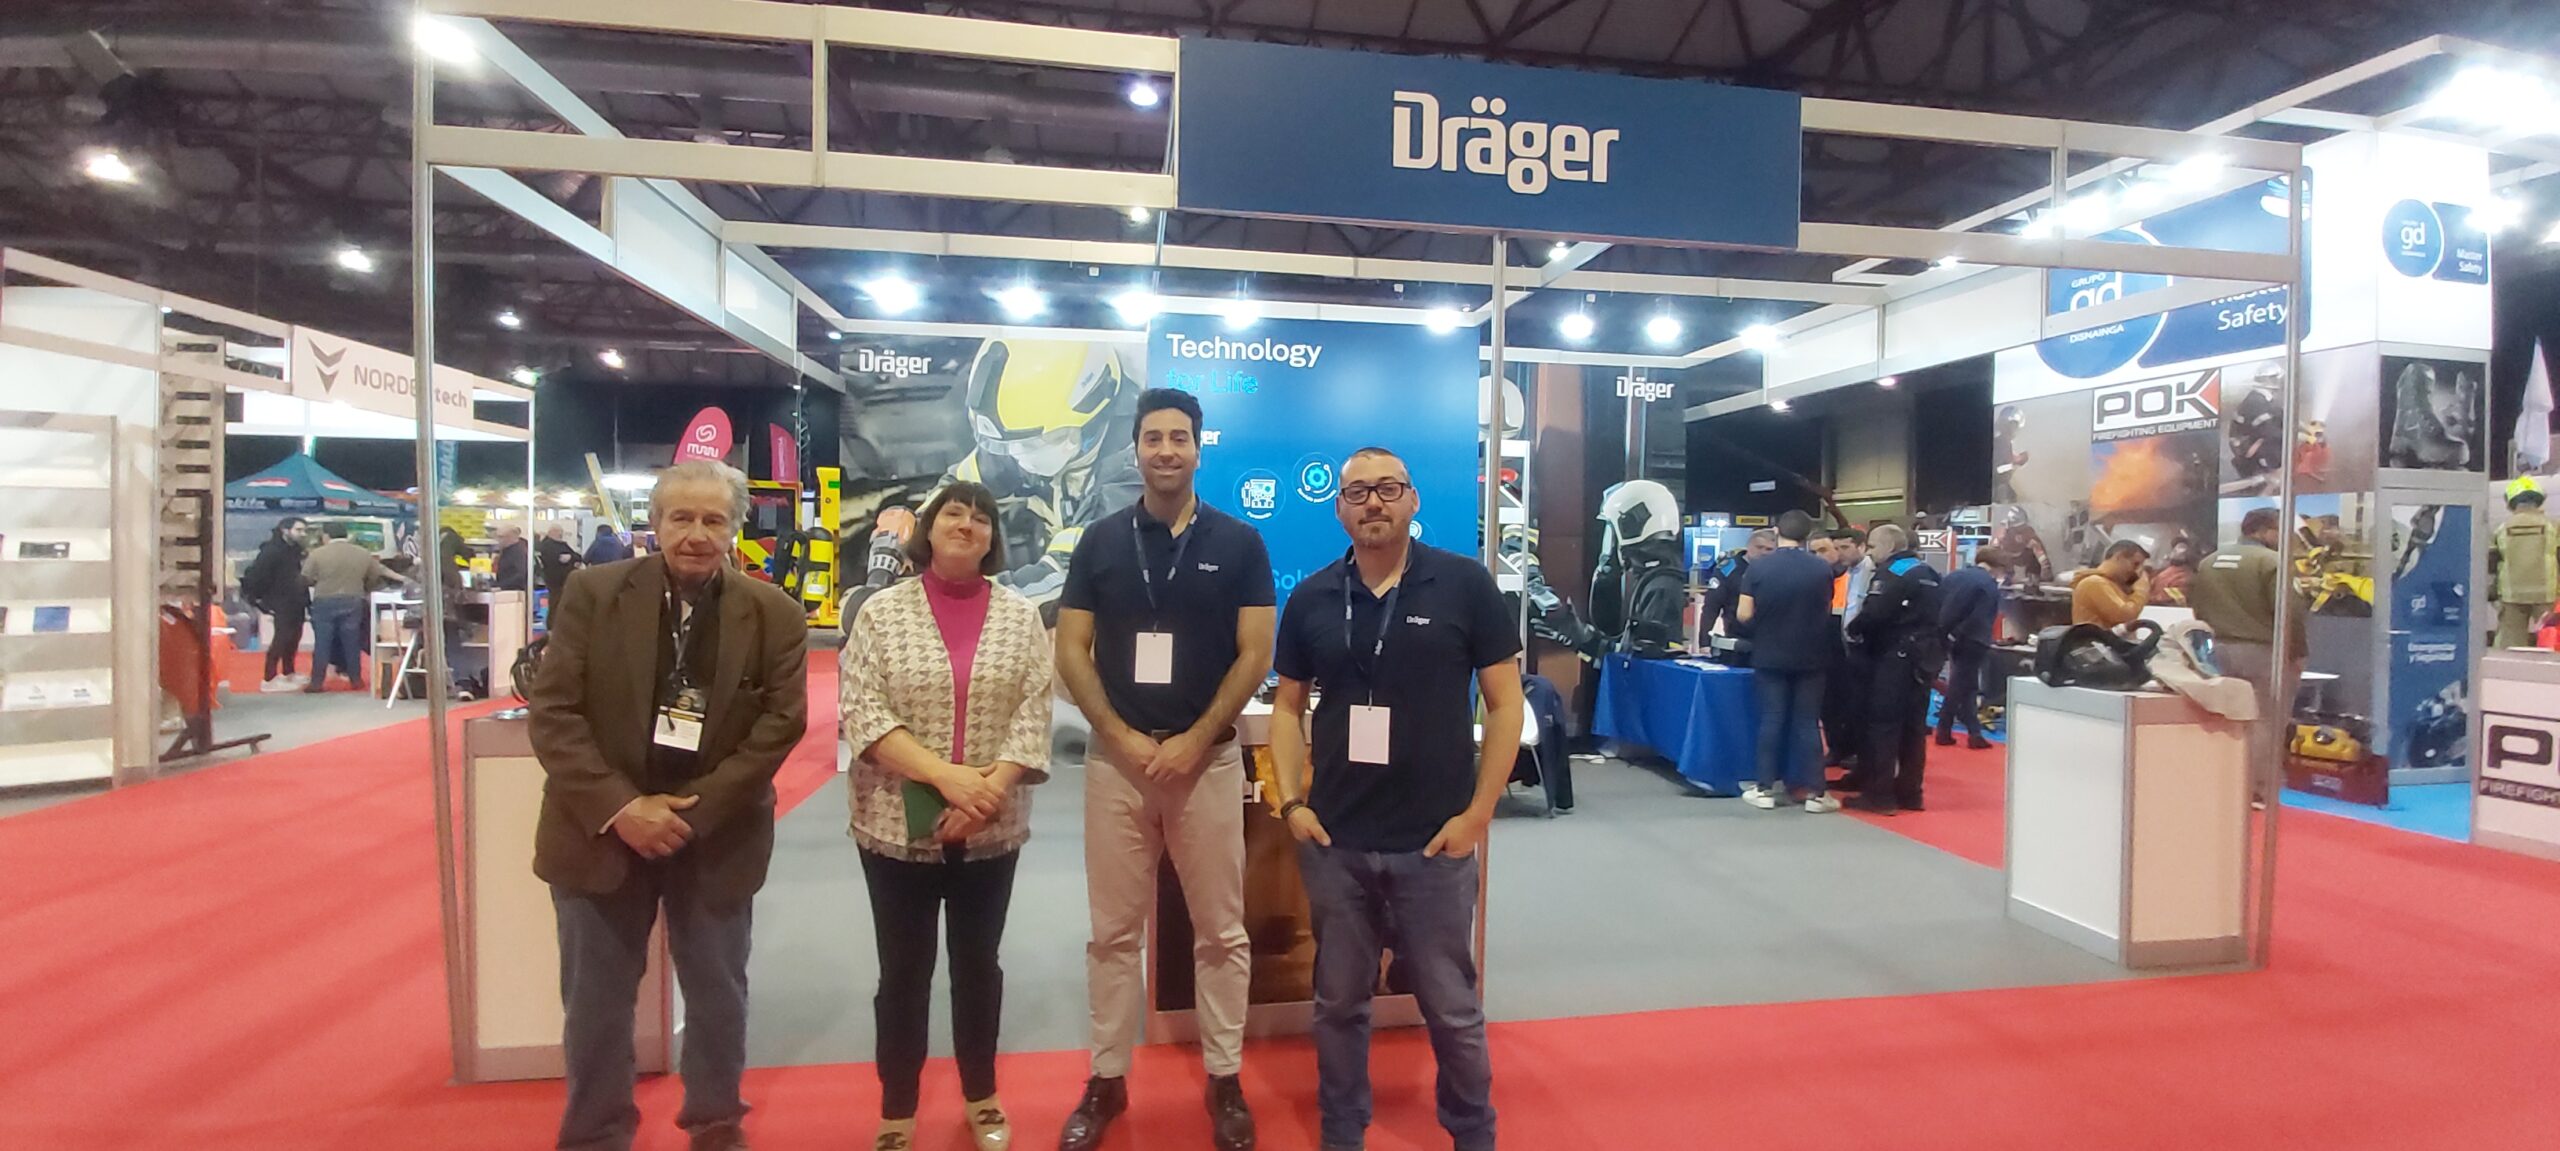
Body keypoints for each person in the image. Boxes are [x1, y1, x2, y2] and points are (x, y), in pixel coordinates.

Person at [528, 459, 810, 1151]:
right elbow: (554, 712)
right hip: (600, 833)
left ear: (735, 529)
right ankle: (595, 1134)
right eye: (681, 517)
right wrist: (624, 808)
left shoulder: (773, 613)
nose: (696, 534)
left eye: (714, 519)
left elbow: (781, 724)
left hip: (716, 833)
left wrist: (689, 814)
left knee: (718, 994)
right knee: (595, 1003)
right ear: (654, 523)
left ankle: (715, 1123)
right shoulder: (593, 593)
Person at [1267, 447, 1524, 1151]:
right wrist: (1292, 803)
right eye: (1358, 492)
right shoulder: (1313, 597)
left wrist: (1479, 813)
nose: (1373, 502)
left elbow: (1506, 705)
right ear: (1339, 509)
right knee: (1338, 1005)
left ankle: (1472, 1132)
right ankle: (1342, 1129)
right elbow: (1287, 708)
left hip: (1435, 842)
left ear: (1413, 499)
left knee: (1451, 1007)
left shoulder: (1465, 585)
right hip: (1337, 843)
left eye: (1388, 488)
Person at [1054, 388, 1272, 1151]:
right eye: (1153, 437)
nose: (1166, 450)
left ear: (1198, 448)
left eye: (1180, 437)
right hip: (1116, 766)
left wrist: (1196, 737)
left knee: (1220, 930)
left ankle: (1225, 1078)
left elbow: (1256, 652)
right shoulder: (1100, 541)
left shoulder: (1239, 542)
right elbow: (1071, 650)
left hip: (1206, 762)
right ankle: (1106, 1078)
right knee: (1112, 933)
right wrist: (1116, 734)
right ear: (1136, 449)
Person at [839, 481, 1054, 1151]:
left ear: (994, 538)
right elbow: (863, 709)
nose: (967, 524)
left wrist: (986, 791)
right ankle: (897, 1106)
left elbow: (1034, 711)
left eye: (981, 517)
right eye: (954, 513)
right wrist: (946, 778)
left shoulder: (1021, 615)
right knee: (903, 972)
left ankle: (981, 1093)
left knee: (979, 966)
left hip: (992, 823)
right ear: (927, 528)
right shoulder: (881, 612)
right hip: (893, 824)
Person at [2190, 508, 2307, 785]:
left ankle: (2224, 783)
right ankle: (2257, 787)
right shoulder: (2272, 562)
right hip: (2263, 653)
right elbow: (2290, 612)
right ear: (2263, 531)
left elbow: (2196, 605)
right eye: (2280, 530)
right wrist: (2297, 652)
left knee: (2225, 719)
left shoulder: (2209, 562)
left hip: (2216, 651)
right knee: (2266, 720)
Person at [1736, 511, 1843, 814]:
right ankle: (1817, 793)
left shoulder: (1758, 567)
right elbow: (1825, 608)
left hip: (1770, 653)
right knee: (1807, 723)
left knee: (1772, 719)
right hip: (1812, 655)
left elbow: (1744, 614)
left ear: (1776, 531)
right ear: (1808, 534)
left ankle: (1765, 789)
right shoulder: (1822, 569)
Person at [1846, 525, 1946, 815]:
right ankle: (1911, 793)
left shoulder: (1892, 573)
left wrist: (1854, 629)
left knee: (1884, 725)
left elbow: (1875, 613)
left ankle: (1880, 795)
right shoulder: (1929, 573)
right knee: (1914, 728)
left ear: (1889, 546)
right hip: (1924, 657)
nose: (1870, 552)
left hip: (1894, 658)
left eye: (1873, 546)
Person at [302, 522, 405, 694]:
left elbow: (306, 578)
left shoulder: (317, 554)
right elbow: (375, 574)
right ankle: (355, 679)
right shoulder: (362, 553)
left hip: (324, 601)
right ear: (347, 535)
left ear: (326, 536)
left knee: (322, 643)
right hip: (353, 600)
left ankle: (316, 682)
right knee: (351, 641)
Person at [1935, 550, 2006, 750]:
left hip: (1950, 635)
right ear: (1996, 566)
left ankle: (1974, 733)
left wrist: (1948, 633)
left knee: (1967, 684)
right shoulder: (1988, 584)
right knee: (1960, 685)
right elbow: (1982, 617)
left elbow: (1940, 604)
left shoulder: (1954, 576)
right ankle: (1944, 728)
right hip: (1974, 639)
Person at [1825, 528, 1873, 789]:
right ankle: (1841, 749)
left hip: (1865, 645)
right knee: (1839, 701)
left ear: (1861, 546)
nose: (1839, 553)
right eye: (1837, 548)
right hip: (1843, 643)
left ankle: (1861, 757)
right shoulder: (1844, 573)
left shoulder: (1873, 571)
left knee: (1861, 706)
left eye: (1844, 547)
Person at [241, 517, 311, 692]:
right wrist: (258, 598)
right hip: (279, 600)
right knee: (281, 637)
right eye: (299, 530)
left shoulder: (296, 550)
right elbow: (258, 575)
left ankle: (288, 672)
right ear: (285, 530)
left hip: (296, 599)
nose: (303, 534)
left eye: (304, 530)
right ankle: (269, 677)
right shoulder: (271, 551)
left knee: (294, 637)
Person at [2491, 477, 2560, 648]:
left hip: (2511, 595)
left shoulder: (2501, 529)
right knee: (2550, 642)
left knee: (2510, 645)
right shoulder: (2553, 527)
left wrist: (2492, 594)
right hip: (2547, 594)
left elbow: (2492, 563)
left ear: (2511, 502)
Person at [1698, 529, 1778, 662]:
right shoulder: (1728, 569)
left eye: (1769, 549)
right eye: (1759, 547)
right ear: (1748, 546)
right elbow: (1711, 607)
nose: (1764, 552)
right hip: (1737, 639)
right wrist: (1704, 642)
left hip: (1771, 641)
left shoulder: (1779, 571)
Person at [2071, 541, 2152, 629]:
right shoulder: (2094, 583)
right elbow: (2124, 616)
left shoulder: (2114, 585)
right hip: (2093, 637)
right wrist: (2141, 590)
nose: (2137, 572)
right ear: (2118, 557)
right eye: (2135, 564)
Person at [540, 523, 587, 609]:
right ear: (552, 532)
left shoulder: (561, 544)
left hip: (564, 580)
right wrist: (572, 560)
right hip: (556, 580)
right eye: (559, 532)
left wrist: (570, 557)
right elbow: (556, 559)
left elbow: (578, 557)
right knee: (556, 603)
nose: (561, 534)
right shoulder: (547, 546)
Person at [494, 522, 532, 592]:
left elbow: (521, 575)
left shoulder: (519, 552)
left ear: (511, 537)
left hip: (515, 591)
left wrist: (501, 587)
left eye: (501, 537)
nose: (498, 540)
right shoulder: (506, 550)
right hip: (507, 589)